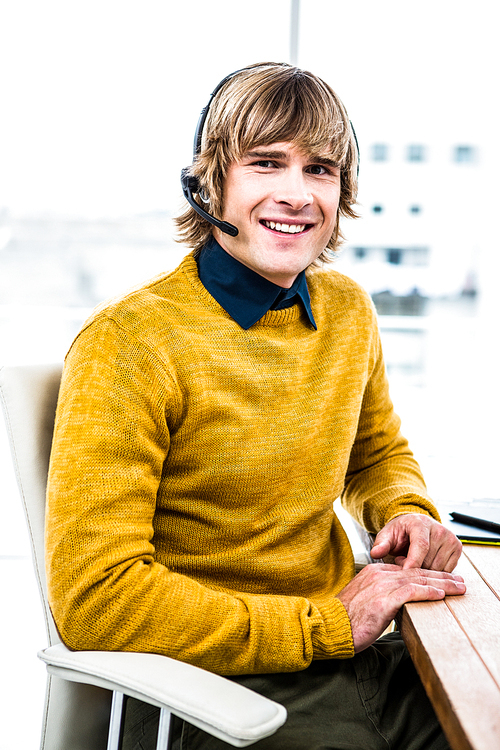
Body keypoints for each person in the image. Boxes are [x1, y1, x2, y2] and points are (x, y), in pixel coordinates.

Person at [45, 63, 465, 750]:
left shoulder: (347, 311)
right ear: (212, 182)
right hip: (211, 692)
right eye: (266, 163)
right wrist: (326, 625)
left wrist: (406, 510)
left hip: (356, 660)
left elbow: (377, 454)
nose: (298, 194)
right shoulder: (131, 341)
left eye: (321, 169)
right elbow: (98, 598)